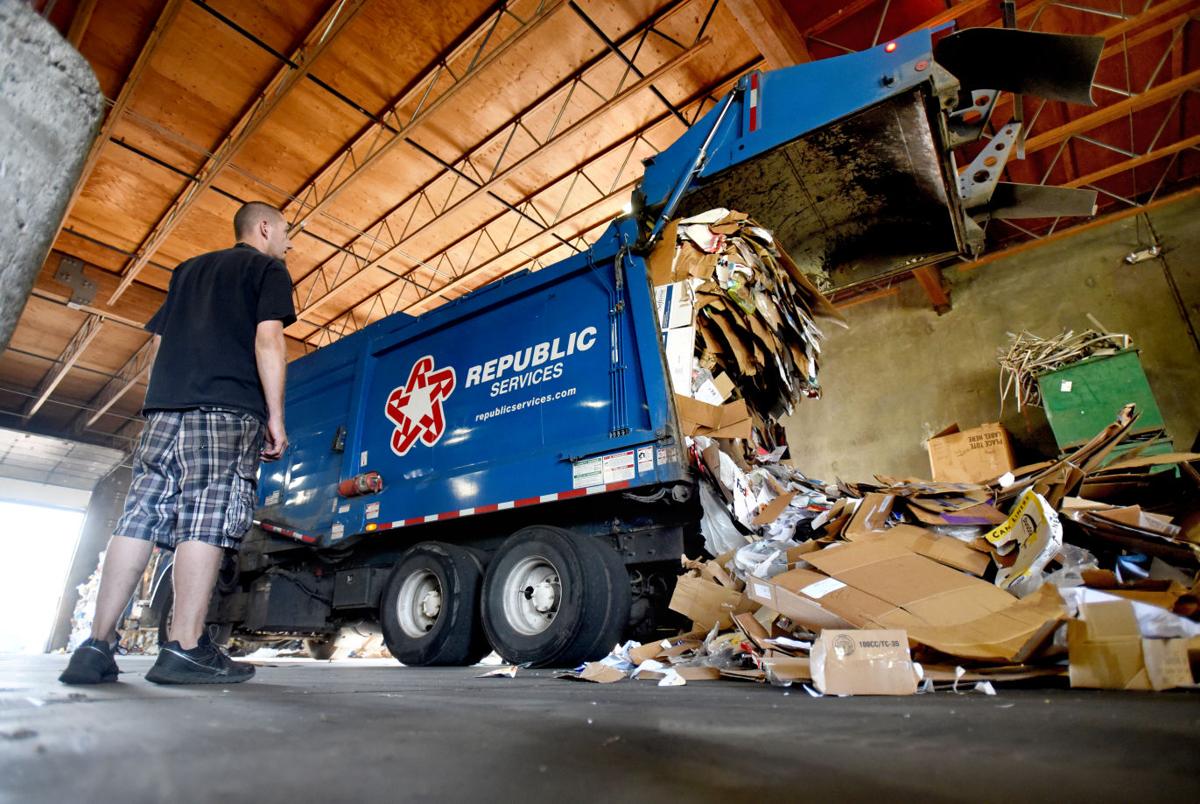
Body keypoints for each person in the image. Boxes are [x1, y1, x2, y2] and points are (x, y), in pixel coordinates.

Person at [60, 201, 296, 685]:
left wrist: (162, 401)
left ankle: (95, 646)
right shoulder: (266, 269)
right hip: (227, 409)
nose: (288, 244)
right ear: (265, 228)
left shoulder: (187, 271)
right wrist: (276, 417)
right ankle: (185, 648)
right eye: (286, 234)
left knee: (139, 518)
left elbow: (162, 345)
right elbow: (268, 340)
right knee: (206, 519)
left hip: (164, 409)